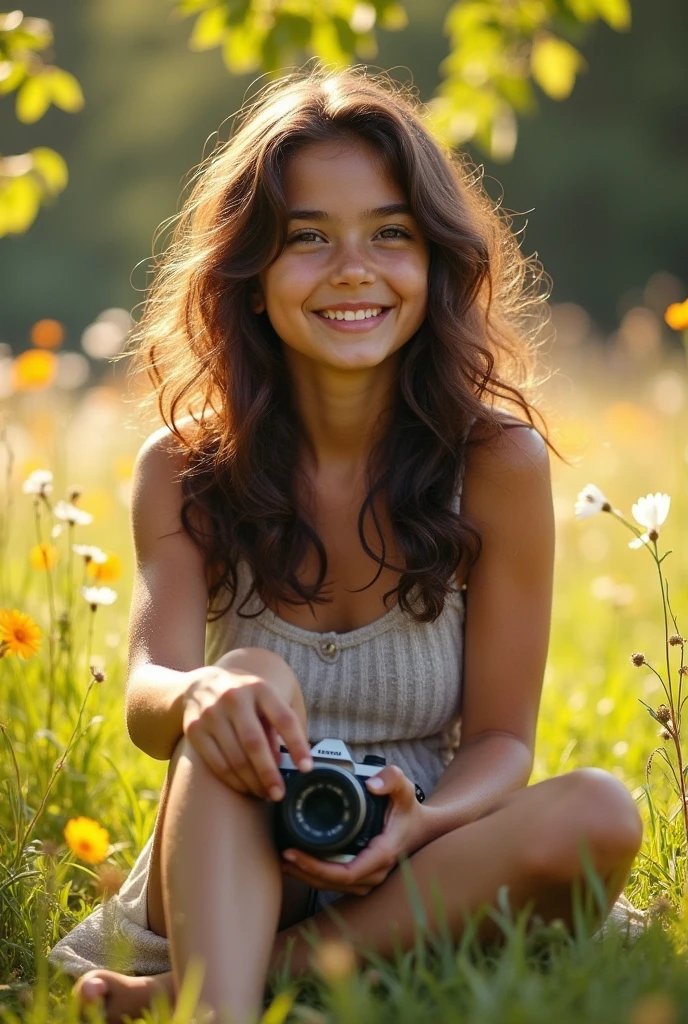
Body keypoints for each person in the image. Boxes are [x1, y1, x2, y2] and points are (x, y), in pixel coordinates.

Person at [48, 65, 643, 1024]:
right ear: (250, 274)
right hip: (229, 848)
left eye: (391, 234)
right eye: (308, 238)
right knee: (245, 675)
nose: (353, 269)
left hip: (418, 855)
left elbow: (500, 743)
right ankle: (218, 1009)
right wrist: (203, 690)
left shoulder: (496, 464)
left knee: (604, 810)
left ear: (434, 262)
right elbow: (148, 701)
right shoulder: (185, 467)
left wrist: (425, 819)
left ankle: (230, 982)